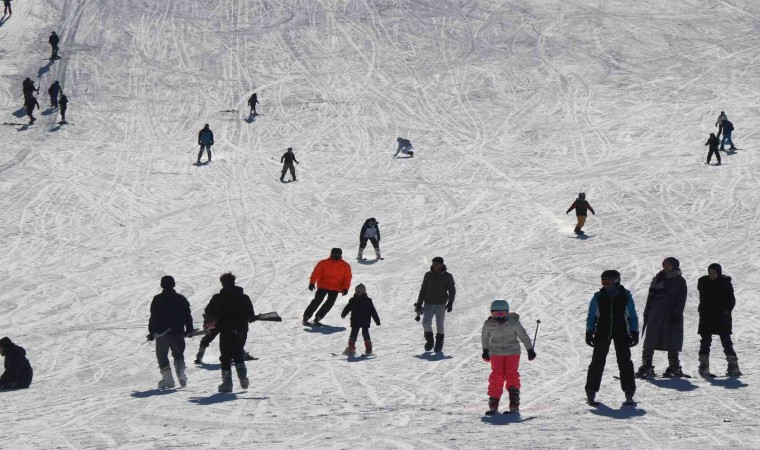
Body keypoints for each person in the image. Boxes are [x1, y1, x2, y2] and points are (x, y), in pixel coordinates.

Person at [584, 270, 639, 405]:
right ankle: (591, 391)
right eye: (603, 282)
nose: (606, 285)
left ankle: (629, 391)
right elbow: (591, 315)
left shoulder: (625, 296)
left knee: (625, 361)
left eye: (608, 282)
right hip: (602, 332)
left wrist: (634, 331)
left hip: (621, 332)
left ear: (616, 281)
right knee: (597, 361)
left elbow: (632, 315)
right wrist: (589, 331)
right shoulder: (598, 296)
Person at [481, 300, 536, 415]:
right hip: (496, 352)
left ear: (507, 313)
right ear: (491, 314)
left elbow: (523, 335)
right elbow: (485, 337)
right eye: (496, 314)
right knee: (497, 375)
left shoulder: (513, 323)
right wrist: (485, 350)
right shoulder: (488, 324)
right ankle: (494, 402)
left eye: (502, 314)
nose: (499, 317)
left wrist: (530, 350)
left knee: (511, 374)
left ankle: (514, 403)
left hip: (512, 352)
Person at [637, 257, 687, 378]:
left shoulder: (679, 280)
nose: (665, 266)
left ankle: (674, 366)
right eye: (664, 264)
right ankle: (647, 365)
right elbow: (651, 296)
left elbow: (681, 299)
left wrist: (677, 313)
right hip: (656, 313)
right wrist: (647, 312)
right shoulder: (658, 278)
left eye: (668, 264)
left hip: (671, 314)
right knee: (651, 338)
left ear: (674, 265)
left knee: (672, 339)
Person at [204, 272, 255, 392]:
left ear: (222, 283)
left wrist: (211, 322)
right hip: (241, 330)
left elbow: (208, 312)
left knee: (226, 356)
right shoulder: (243, 297)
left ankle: (227, 383)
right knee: (238, 353)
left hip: (226, 330)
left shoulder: (218, 298)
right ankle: (243, 378)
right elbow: (250, 315)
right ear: (233, 282)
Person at [147, 276, 194, 389]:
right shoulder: (181, 299)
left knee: (162, 355)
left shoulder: (157, 299)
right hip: (177, 332)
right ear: (174, 284)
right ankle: (180, 374)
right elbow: (187, 316)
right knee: (178, 354)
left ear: (162, 285)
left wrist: (152, 332)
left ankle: (168, 380)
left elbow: (153, 317)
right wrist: (189, 329)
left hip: (162, 333)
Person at [697, 264, 741, 377]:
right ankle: (704, 368)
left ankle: (733, 367)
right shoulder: (704, 283)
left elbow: (731, 299)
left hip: (721, 316)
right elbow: (702, 299)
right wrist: (701, 309)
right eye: (710, 273)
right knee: (705, 342)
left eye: (714, 273)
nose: (711, 275)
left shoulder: (725, 283)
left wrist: (727, 310)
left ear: (718, 272)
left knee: (726, 341)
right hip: (707, 316)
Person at [414, 256, 456, 353]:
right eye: (433, 263)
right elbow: (423, 289)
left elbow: (452, 290)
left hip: (441, 304)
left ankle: (439, 345)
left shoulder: (447, 276)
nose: (434, 265)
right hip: (428, 302)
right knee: (425, 322)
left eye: (436, 264)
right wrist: (419, 303)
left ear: (441, 265)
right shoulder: (428, 275)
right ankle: (430, 341)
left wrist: (450, 303)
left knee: (439, 324)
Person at [303, 248, 352, 326]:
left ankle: (318, 317)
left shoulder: (345, 265)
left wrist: (346, 288)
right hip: (323, 286)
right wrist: (312, 282)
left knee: (329, 303)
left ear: (340, 255)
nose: (336, 256)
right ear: (331, 254)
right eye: (334, 254)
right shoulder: (323, 263)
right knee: (317, 301)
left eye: (338, 255)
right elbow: (316, 272)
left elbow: (347, 278)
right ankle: (306, 316)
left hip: (335, 288)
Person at [340, 284, 380, 356]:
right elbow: (347, 308)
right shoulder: (353, 300)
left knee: (365, 334)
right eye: (357, 291)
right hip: (356, 321)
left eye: (360, 291)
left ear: (364, 292)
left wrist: (377, 321)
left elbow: (373, 311)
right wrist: (343, 314)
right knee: (353, 334)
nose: (358, 292)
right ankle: (351, 349)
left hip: (364, 321)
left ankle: (368, 350)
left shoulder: (368, 301)